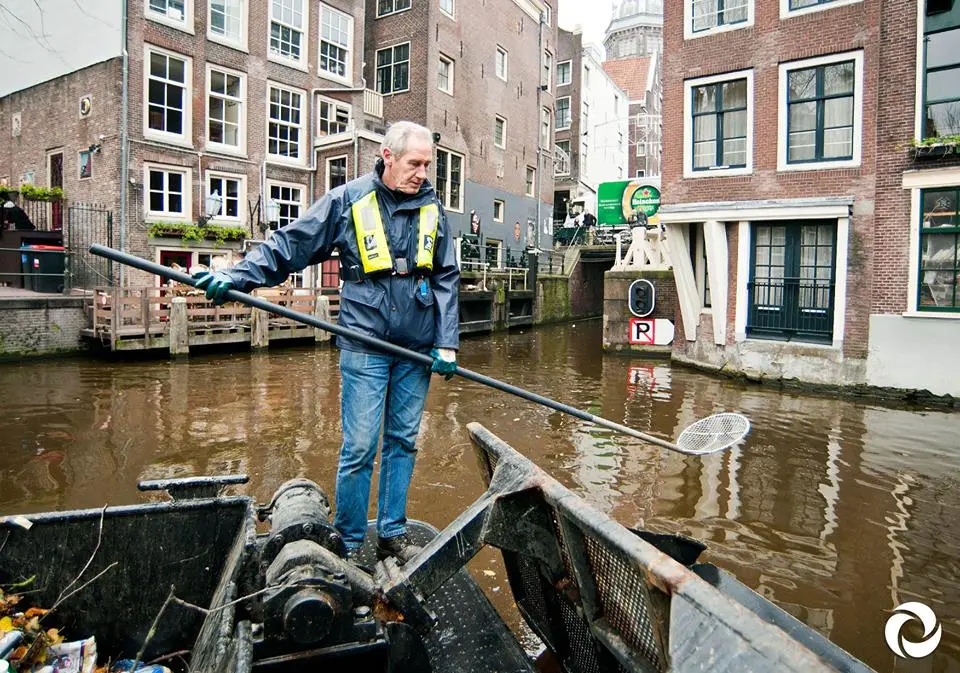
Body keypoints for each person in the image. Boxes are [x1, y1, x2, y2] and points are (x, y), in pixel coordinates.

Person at [193, 121, 460, 563]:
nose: (423, 173)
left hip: (415, 346)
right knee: (359, 446)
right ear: (387, 157)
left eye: (427, 164)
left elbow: (446, 277)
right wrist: (233, 275)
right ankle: (351, 541)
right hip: (363, 341)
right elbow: (288, 246)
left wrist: (446, 342)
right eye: (415, 163)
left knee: (404, 441)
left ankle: (392, 530)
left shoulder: (433, 208)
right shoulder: (348, 200)